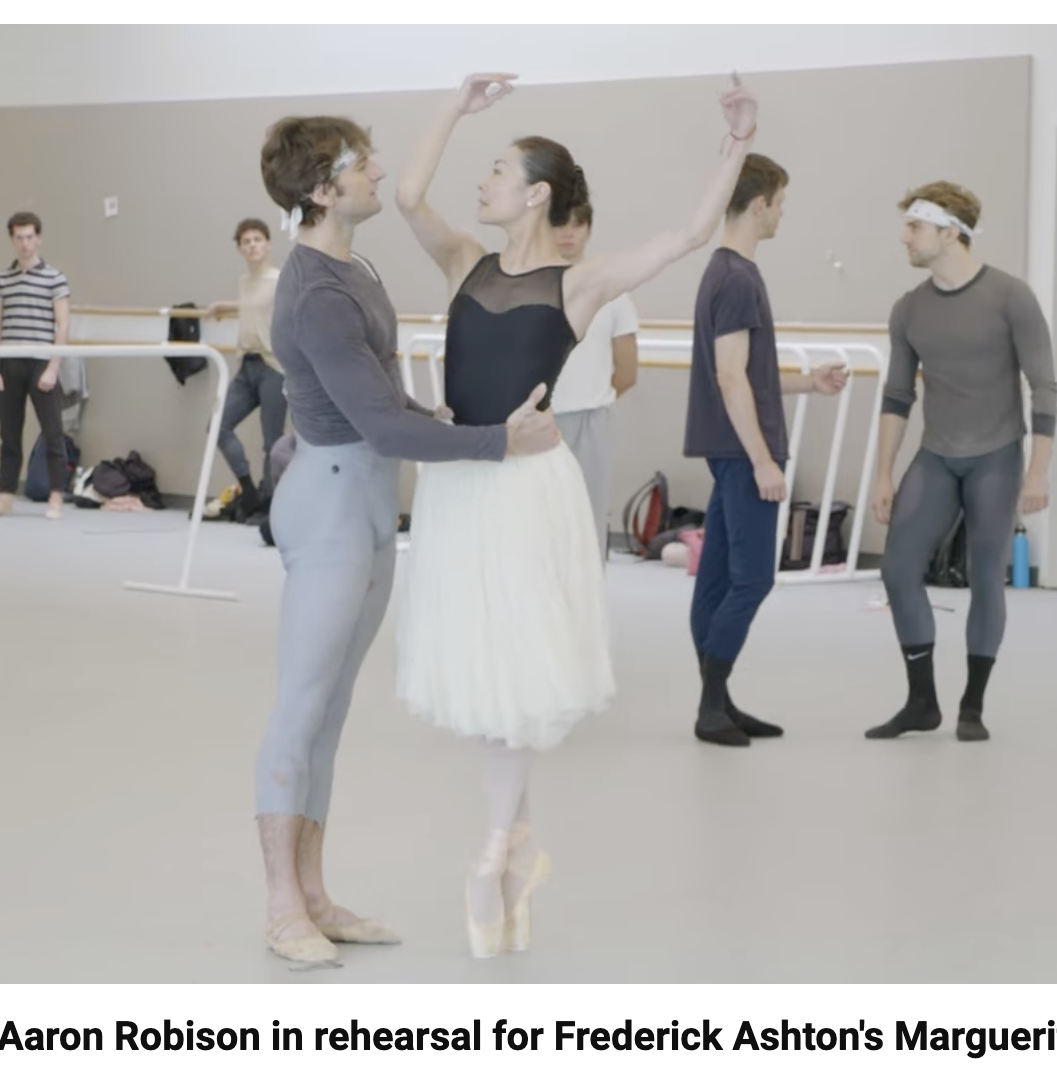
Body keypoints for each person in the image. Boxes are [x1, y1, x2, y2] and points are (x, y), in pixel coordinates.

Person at [393, 71, 767, 958]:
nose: (478, 185)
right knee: (484, 669)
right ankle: (514, 840)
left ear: (534, 196)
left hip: (529, 488)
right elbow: (409, 195)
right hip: (462, 485)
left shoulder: (582, 284)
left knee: (514, 676)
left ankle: (494, 847)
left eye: (494, 172)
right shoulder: (464, 265)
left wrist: (736, 146)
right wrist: (452, 104)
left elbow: (683, 236)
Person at [252, 114, 560, 967]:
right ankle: (283, 905)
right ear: (321, 190)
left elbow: (391, 402)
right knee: (301, 706)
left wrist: (453, 423)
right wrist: (498, 442)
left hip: (366, 503)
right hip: (333, 500)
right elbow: (383, 425)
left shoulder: (356, 266)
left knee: (334, 707)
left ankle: (315, 893)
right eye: (361, 166)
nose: (379, 173)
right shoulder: (314, 291)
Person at [865, 181, 1057, 743]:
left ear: (950, 232)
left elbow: (1044, 387)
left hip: (996, 456)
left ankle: (972, 706)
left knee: (984, 577)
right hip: (937, 456)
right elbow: (897, 397)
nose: (904, 237)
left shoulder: (1010, 297)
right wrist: (882, 473)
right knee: (897, 569)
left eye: (914, 227)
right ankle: (922, 701)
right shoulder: (908, 310)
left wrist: (1038, 469)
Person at [684, 155, 849, 748]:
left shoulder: (724, 273)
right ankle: (710, 705)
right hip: (741, 451)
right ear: (760, 205)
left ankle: (719, 701)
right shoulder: (737, 279)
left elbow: (744, 373)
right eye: (781, 203)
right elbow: (731, 380)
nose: (782, 214)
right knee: (753, 580)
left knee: (721, 578)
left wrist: (809, 383)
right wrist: (762, 460)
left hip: (728, 449)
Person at [551, 202, 640, 560]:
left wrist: (592, 397)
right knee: (538, 520)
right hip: (537, 420)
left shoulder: (613, 291)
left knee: (587, 519)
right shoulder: (531, 286)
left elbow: (627, 372)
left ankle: (586, 611)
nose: (569, 233)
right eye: (561, 224)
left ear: (588, 230)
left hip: (590, 419)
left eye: (577, 224)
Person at [0, 211, 71, 521]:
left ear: (39, 238)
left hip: (41, 361)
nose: (25, 244)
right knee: (9, 435)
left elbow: (63, 324)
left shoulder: (54, 277)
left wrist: (53, 367)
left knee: (53, 432)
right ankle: (4, 497)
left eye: (30, 237)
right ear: (12, 240)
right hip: (9, 362)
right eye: (19, 238)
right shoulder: (2, 279)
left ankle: (56, 498)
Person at [206, 218, 286, 524]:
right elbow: (251, 305)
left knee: (272, 442)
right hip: (247, 366)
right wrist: (224, 307)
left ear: (268, 244)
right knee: (217, 425)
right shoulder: (245, 282)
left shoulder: (280, 281)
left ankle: (271, 505)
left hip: (273, 368)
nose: (252, 245)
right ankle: (250, 491)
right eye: (246, 241)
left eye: (257, 239)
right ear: (240, 249)